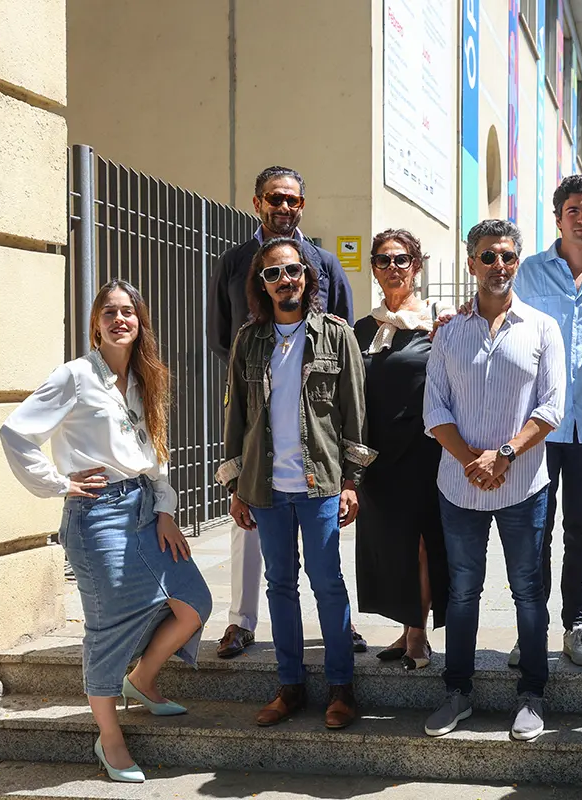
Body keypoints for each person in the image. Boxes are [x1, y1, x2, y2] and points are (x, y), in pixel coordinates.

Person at [0, 280, 212, 783]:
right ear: (95, 323)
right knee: (109, 627)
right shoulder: (75, 376)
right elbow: (15, 431)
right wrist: (59, 484)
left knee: (193, 602)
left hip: (146, 508)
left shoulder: (144, 377)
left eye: (128, 312)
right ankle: (109, 738)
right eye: (109, 312)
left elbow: (154, 451)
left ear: (140, 323)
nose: (120, 320)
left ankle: (142, 679)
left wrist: (165, 509)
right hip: (98, 517)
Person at [217, 237, 374, 729]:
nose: (285, 280)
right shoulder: (249, 339)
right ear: (261, 284)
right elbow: (236, 418)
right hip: (266, 487)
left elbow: (355, 413)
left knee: (327, 584)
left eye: (292, 271)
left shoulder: (336, 335)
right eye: (273, 274)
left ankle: (341, 687)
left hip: (320, 482)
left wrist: (352, 481)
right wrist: (235, 485)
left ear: (306, 276)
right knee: (279, 586)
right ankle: (290, 686)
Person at [207, 165, 362, 660]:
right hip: (256, 407)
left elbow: (340, 333)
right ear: (257, 203)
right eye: (274, 198)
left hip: (314, 425)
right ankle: (240, 620)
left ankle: (338, 631)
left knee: (323, 561)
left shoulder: (323, 262)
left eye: (292, 199)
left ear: (302, 205)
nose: (284, 207)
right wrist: (255, 379)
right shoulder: (235, 262)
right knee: (248, 527)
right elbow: (221, 335)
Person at [422, 219, 566, 742]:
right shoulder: (449, 332)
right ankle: (457, 692)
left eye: (507, 256)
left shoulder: (542, 328)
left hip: (523, 485)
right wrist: (472, 462)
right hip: (460, 487)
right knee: (462, 592)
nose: (498, 265)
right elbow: (434, 409)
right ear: (471, 263)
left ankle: (532, 695)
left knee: (529, 592)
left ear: (517, 262)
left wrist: (502, 456)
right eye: (488, 256)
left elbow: (552, 407)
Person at [510, 174, 582, 668]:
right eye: (573, 210)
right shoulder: (528, 273)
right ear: (558, 218)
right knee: (535, 529)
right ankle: (530, 629)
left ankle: (577, 625)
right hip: (537, 425)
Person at [354, 229, 454, 670]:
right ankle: (405, 625)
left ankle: (418, 634)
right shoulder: (361, 328)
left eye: (401, 259)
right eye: (383, 260)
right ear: (374, 269)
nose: (392, 267)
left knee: (420, 544)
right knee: (390, 544)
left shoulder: (439, 320)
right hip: (378, 455)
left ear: (416, 266)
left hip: (424, 450)